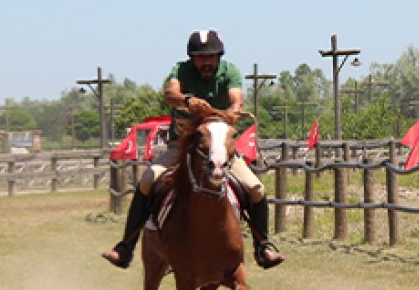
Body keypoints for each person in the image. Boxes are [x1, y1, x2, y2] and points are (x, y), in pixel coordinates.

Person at [101, 30, 284, 270]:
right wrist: (187, 101)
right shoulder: (181, 70)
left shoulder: (230, 72)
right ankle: (126, 246)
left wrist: (231, 111)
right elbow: (170, 93)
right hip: (181, 146)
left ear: (219, 56)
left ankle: (264, 246)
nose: (206, 62)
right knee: (147, 179)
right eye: (199, 57)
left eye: (211, 56)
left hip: (219, 150)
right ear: (192, 58)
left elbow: (236, 100)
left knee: (256, 188)